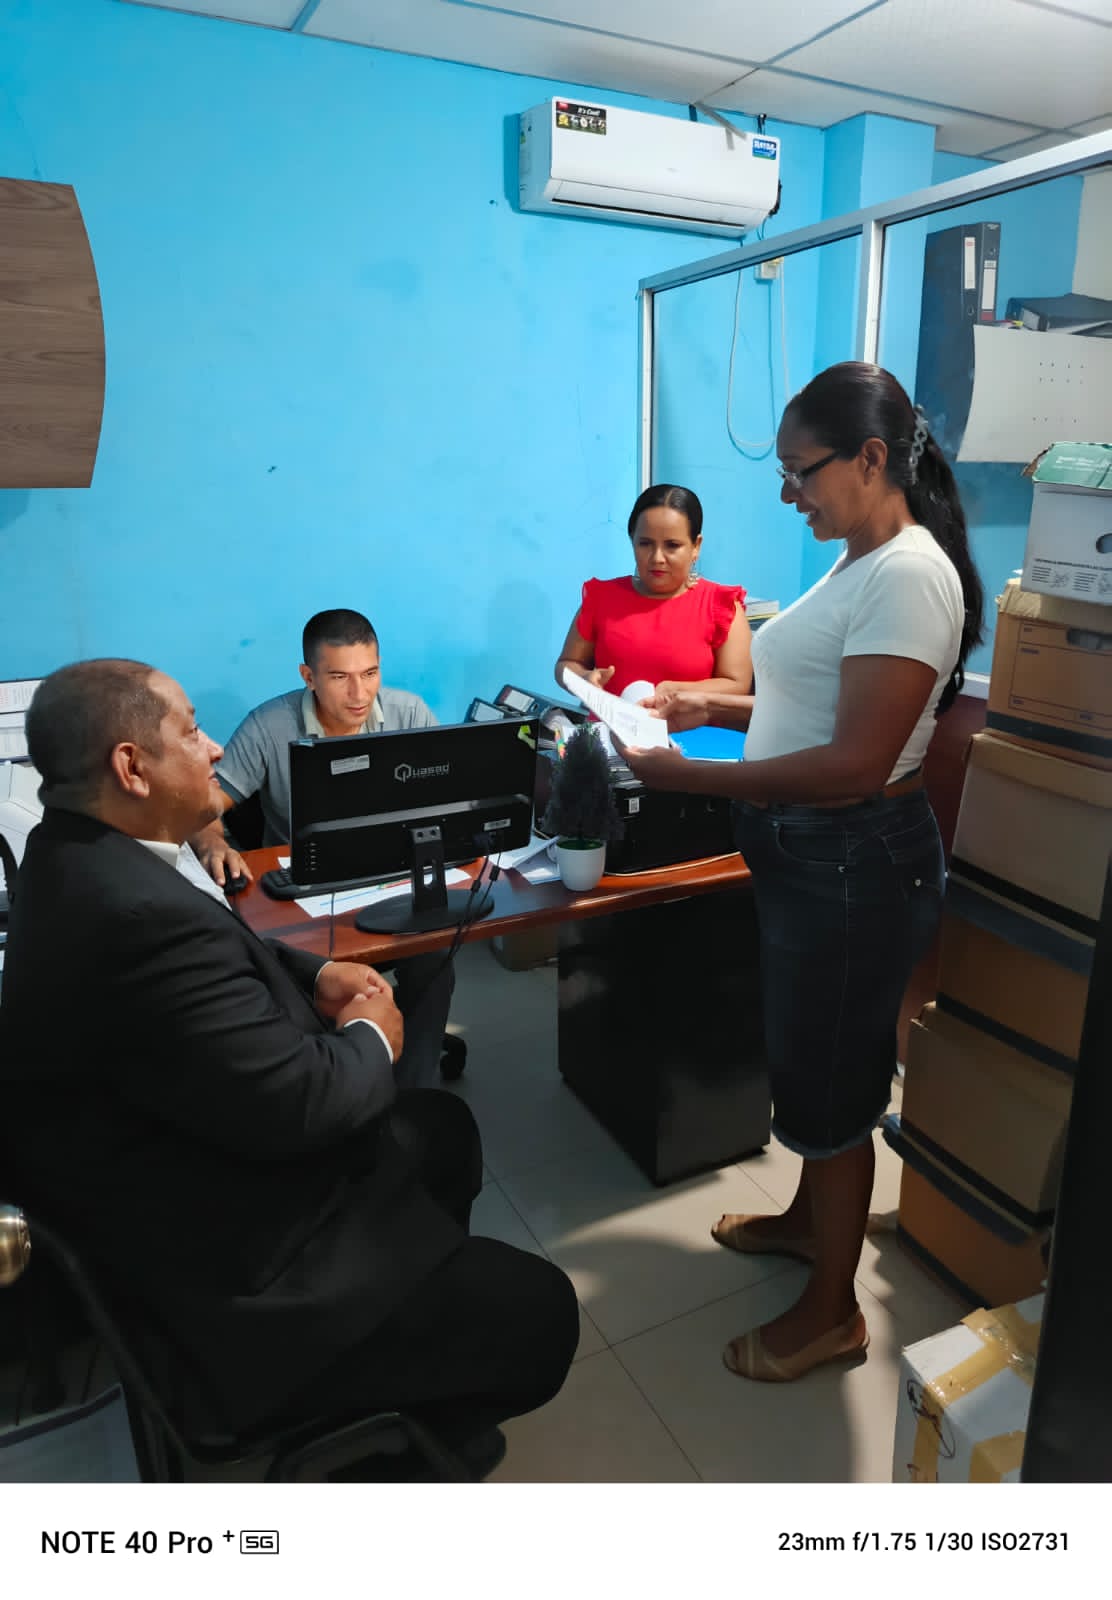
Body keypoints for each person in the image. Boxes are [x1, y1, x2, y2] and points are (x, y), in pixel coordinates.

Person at [0, 659, 578, 1466]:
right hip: (228, 1257)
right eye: (190, 731)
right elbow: (306, 1104)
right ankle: (372, 1405)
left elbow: (215, 953)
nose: (211, 748)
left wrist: (316, 973)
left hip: (193, 1155)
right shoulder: (131, 915)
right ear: (131, 767)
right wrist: (371, 1031)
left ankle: (415, 1327)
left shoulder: (75, 850)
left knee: (441, 1129)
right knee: (542, 1312)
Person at [616, 363, 983, 1383]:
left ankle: (831, 1314)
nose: (788, 494)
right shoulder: (857, 560)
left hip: (852, 858)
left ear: (870, 458)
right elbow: (819, 699)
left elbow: (856, 762)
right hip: (812, 854)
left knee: (833, 1081)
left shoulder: (909, 575)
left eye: (798, 472)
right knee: (807, 1059)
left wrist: (688, 777)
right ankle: (801, 1221)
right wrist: (710, 704)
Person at [189, 608, 452, 1090]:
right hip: (303, 895)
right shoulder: (270, 724)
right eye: (339, 677)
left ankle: (414, 1094)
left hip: (390, 881)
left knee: (435, 958)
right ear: (308, 676)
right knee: (295, 980)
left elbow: (447, 798)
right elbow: (205, 804)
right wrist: (210, 841)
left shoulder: (408, 712)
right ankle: (337, 1084)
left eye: (369, 673)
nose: (359, 693)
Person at [554, 484, 753, 702]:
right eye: (645, 544)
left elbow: (737, 684)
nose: (657, 557)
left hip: (687, 726)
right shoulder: (601, 598)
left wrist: (677, 692)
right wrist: (584, 678)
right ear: (632, 541)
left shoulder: (721, 606)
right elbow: (567, 664)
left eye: (672, 545)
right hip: (608, 724)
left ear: (696, 546)